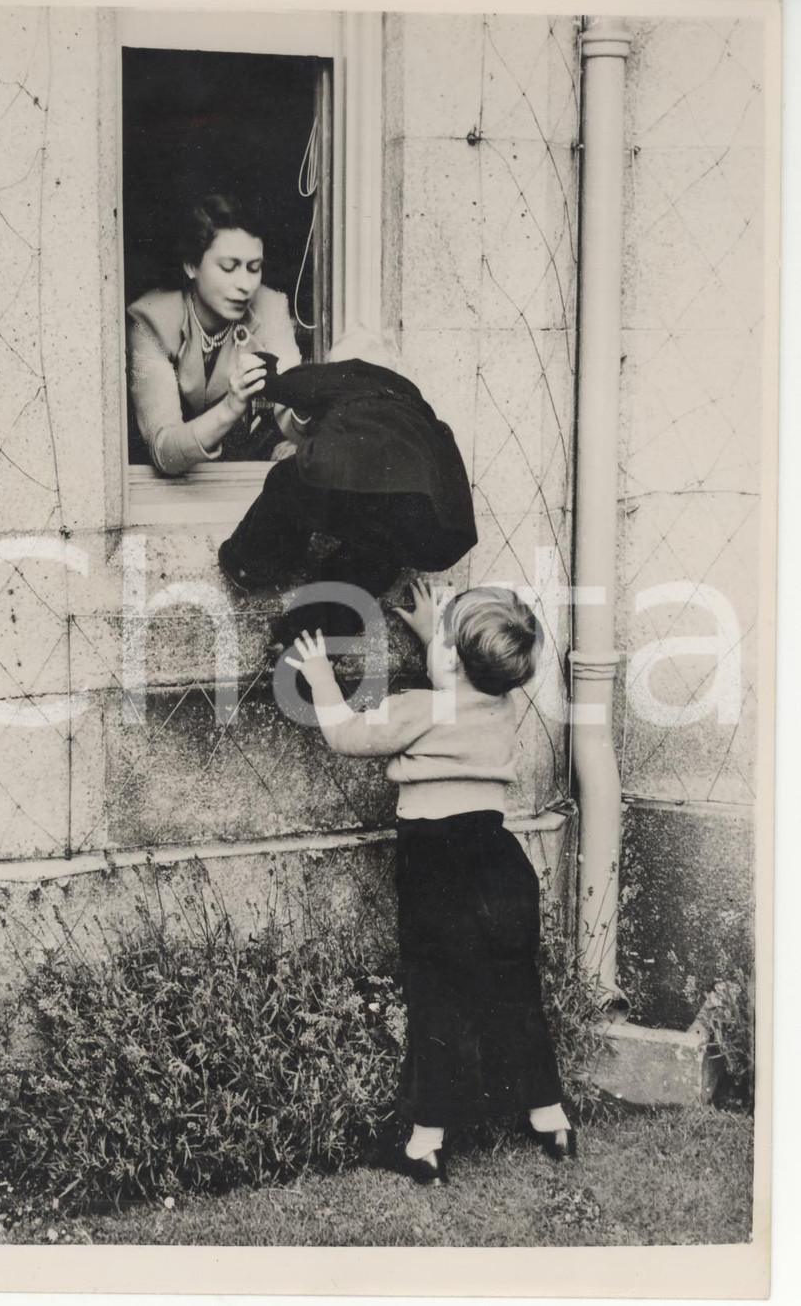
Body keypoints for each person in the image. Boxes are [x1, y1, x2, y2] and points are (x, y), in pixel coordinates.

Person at [286, 580, 576, 1186]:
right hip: (501, 864)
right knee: (516, 993)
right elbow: (466, 685)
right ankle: (551, 1119)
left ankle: (426, 1144)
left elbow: (346, 736)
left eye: (442, 639)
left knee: (437, 1002)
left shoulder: (421, 706)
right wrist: (434, 635)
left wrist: (319, 679)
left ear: (448, 661)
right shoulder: (503, 703)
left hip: (437, 870)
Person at [217, 329, 477, 642]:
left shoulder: (345, 377)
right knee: (371, 561)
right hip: (429, 522)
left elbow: (288, 387)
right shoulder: (415, 403)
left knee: (285, 482)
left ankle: (249, 564)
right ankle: (308, 637)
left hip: (350, 486)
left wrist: (263, 368)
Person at [127, 193, 303, 475]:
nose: (245, 285)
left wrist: (312, 410)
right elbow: (164, 451)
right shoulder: (148, 320)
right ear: (191, 265)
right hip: (164, 492)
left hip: (240, 477)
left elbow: (291, 404)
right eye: (228, 267)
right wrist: (232, 407)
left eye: (254, 268)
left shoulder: (270, 306)